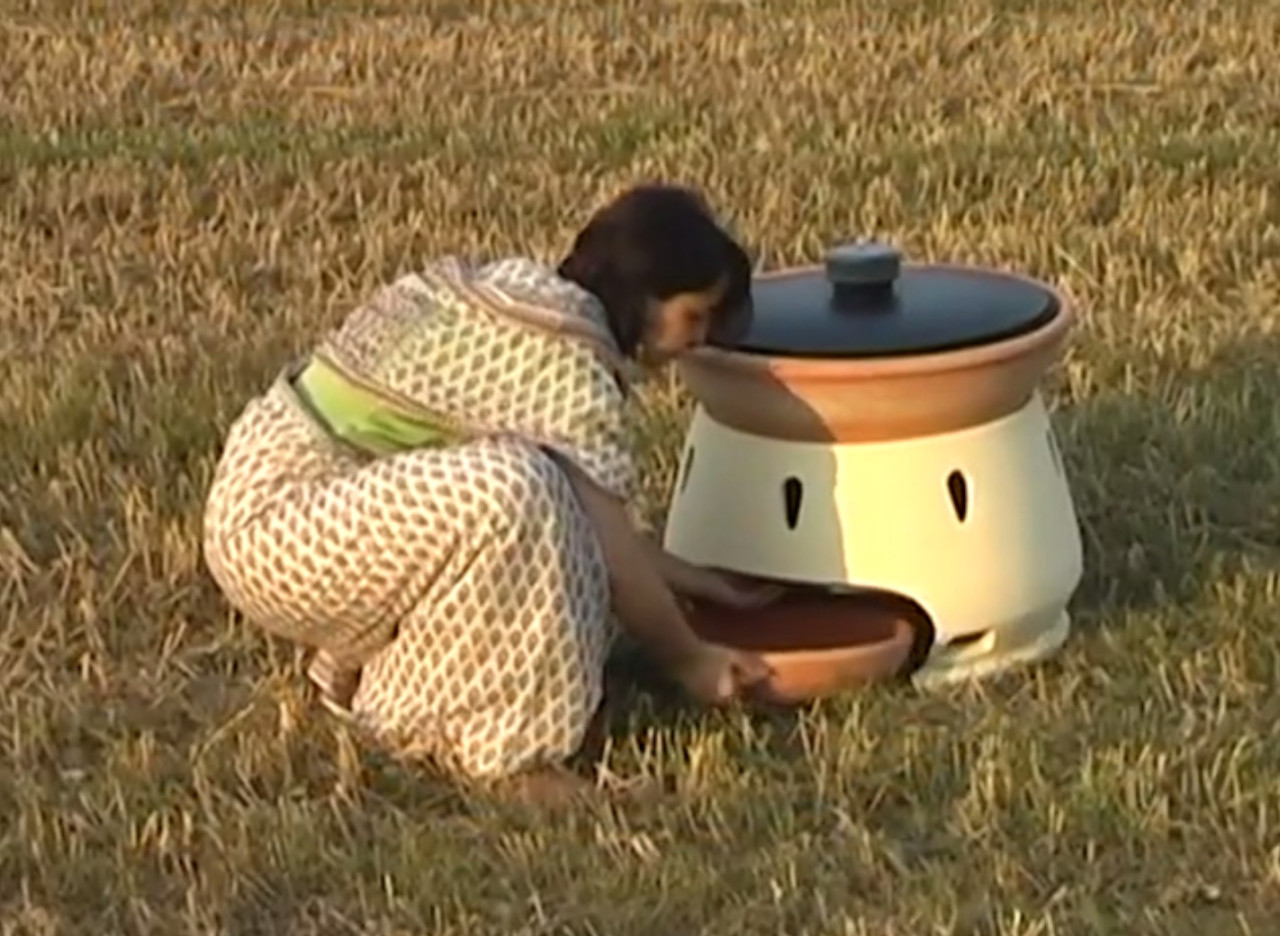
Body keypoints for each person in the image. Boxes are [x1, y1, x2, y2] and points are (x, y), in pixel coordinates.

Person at [200, 183, 782, 801]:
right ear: (643, 296)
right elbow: (614, 557)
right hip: (275, 524)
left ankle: (396, 692)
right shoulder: (568, 365)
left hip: (286, 500)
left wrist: (698, 582)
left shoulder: (527, 302)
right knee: (518, 491)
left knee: (549, 507)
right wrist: (692, 661)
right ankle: (498, 756)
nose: (699, 338)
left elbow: (599, 526)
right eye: (694, 316)